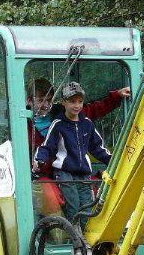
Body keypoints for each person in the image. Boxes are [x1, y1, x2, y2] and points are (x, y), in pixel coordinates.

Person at [33, 82, 112, 227]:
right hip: (65, 172)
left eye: (80, 101)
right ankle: (74, 238)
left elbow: (97, 147)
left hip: (83, 172)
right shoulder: (58, 124)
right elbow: (47, 146)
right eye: (72, 102)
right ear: (63, 103)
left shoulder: (87, 124)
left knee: (87, 207)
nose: (76, 105)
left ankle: (84, 239)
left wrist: (112, 161)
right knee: (73, 205)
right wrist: (40, 159)